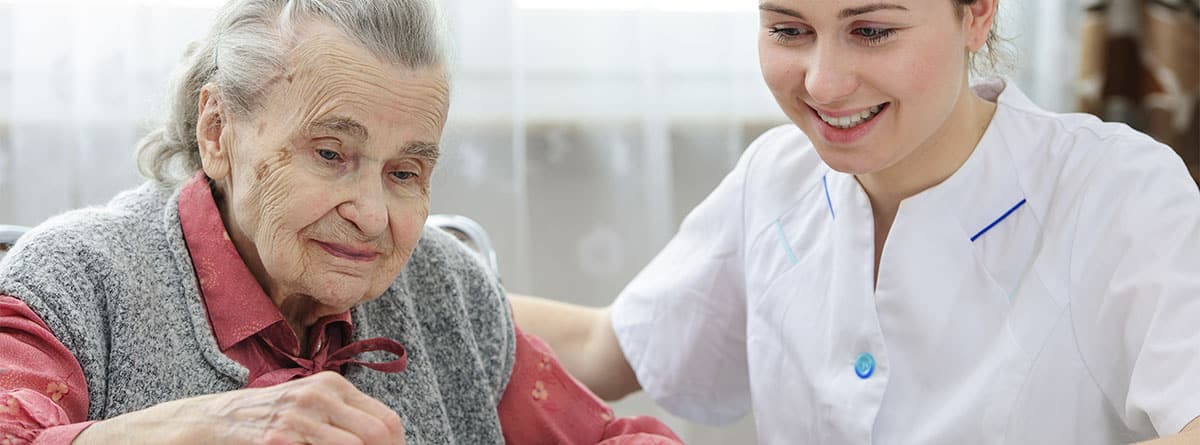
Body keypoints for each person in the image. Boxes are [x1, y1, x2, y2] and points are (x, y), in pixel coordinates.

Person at [510, 0, 1200, 443]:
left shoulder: (1116, 189)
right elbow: (608, 344)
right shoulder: (775, 179)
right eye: (789, 30)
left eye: (871, 31)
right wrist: (419, 277)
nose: (822, 82)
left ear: (978, 13)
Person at [0, 1, 683, 444]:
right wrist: (197, 429)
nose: (372, 214)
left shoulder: (445, 287)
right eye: (330, 154)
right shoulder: (76, 278)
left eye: (405, 172)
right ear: (217, 133)